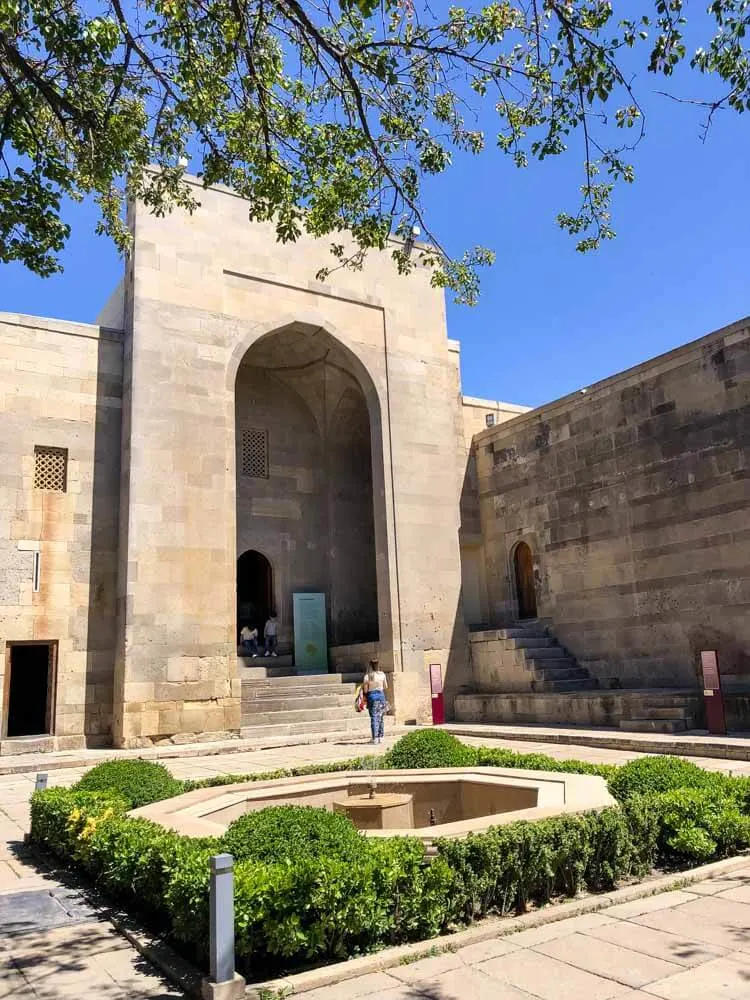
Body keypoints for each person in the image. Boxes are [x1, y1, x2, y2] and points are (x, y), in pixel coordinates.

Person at [362, 658, 388, 745]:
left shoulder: (367, 676)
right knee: (380, 717)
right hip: (381, 696)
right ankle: (381, 736)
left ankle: (375, 738)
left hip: (372, 696)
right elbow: (385, 686)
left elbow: (365, 690)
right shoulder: (382, 674)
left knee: (374, 717)